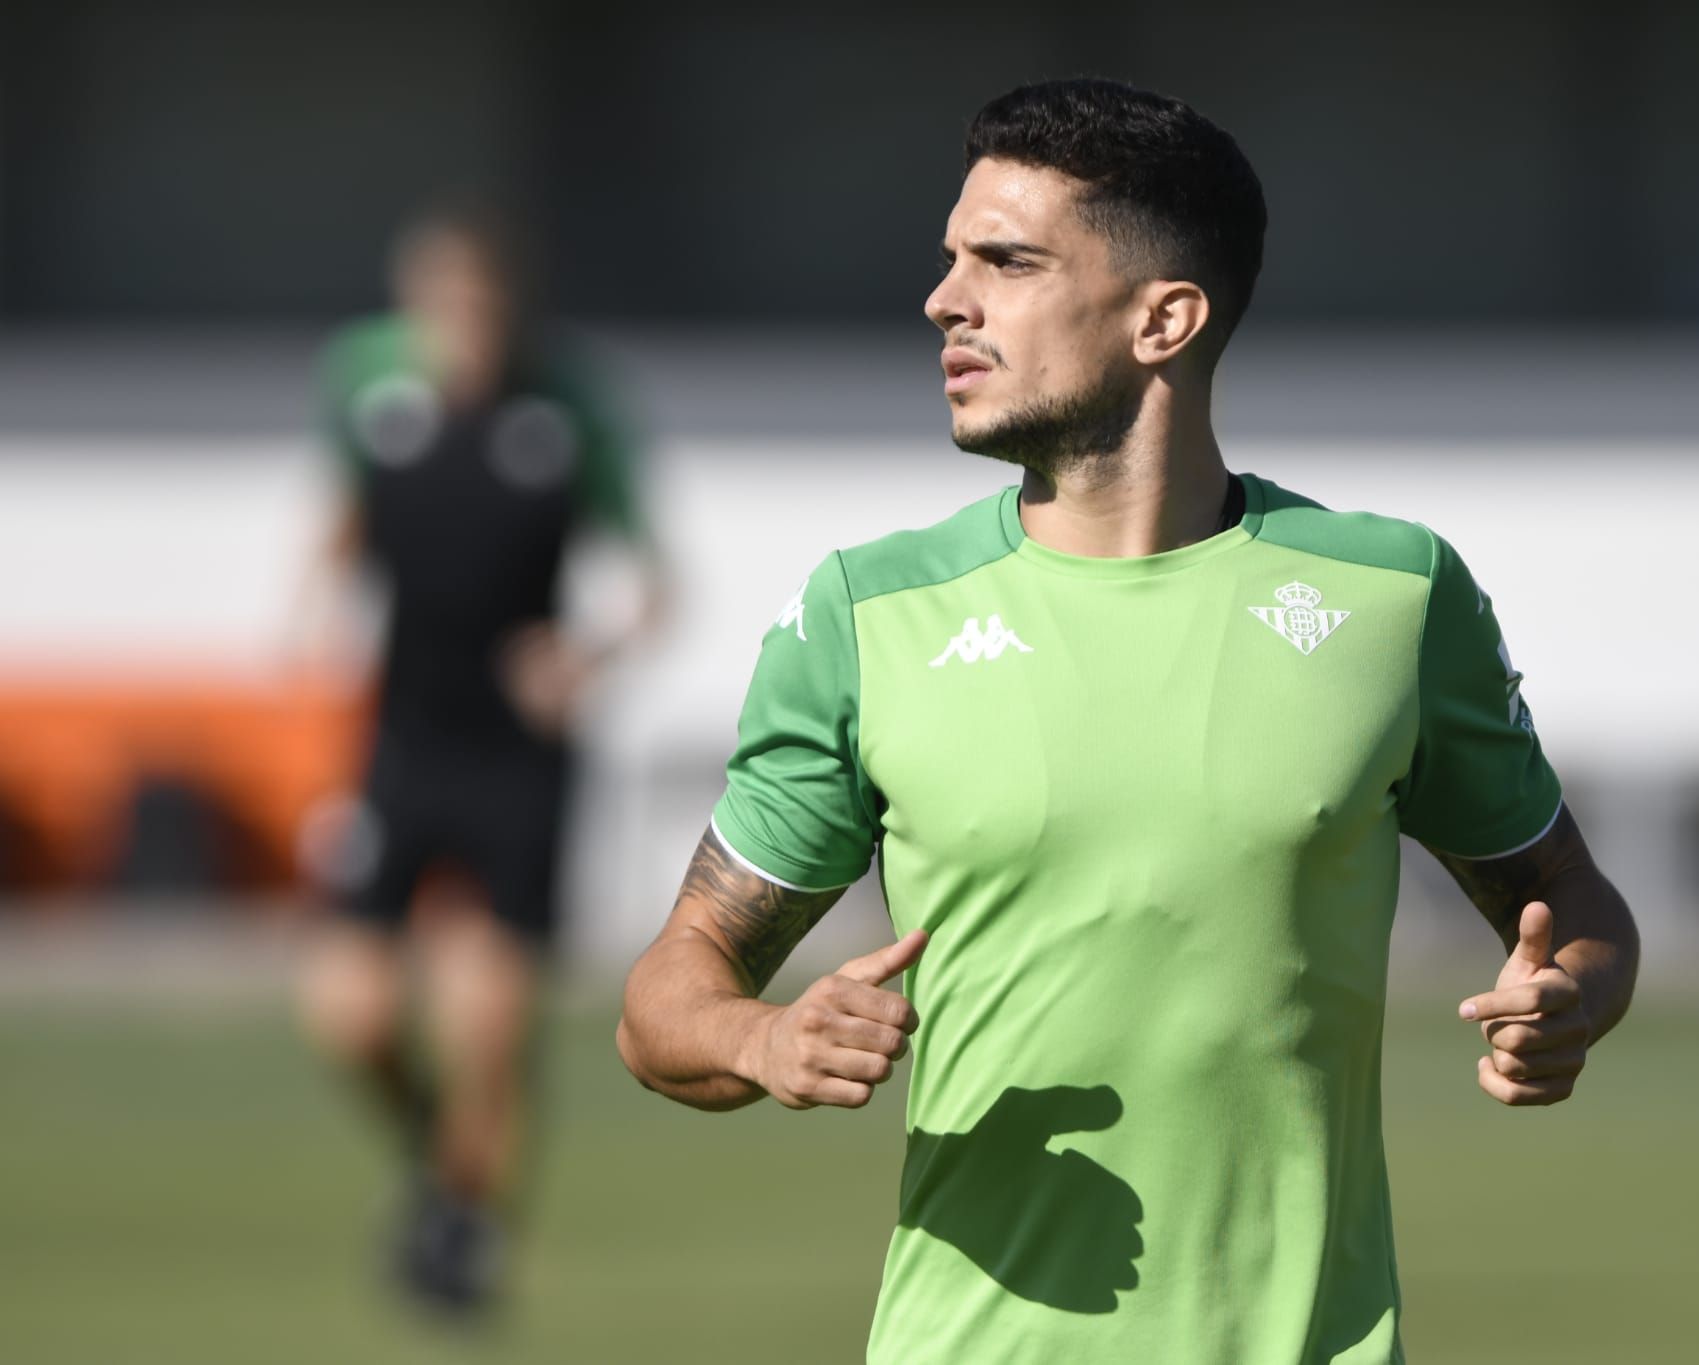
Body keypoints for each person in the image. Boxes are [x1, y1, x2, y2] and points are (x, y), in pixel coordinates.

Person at [617, 78, 1638, 1363]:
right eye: (951, 258)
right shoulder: (868, 615)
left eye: (1006, 262)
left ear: (1164, 319)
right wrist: (764, 1038)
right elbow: (665, 998)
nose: (944, 300)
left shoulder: (1392, 595)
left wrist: (1568, 1001)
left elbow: (1571, 903)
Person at [297, 200, 664, 1313]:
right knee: (351, 1016)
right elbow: (347, 520)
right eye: (443, 301)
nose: (463, 322)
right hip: (404, 737)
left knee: (488, 1027)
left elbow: (655, 585)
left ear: (511, 306)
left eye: (481, 302)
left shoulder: (570, 410)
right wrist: (316, 595)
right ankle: (440, 1164)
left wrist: (583, 657)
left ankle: (464, 1239)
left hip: (519, 757)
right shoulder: (366, 389)